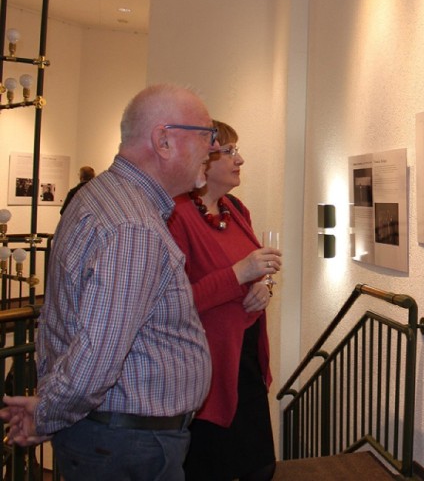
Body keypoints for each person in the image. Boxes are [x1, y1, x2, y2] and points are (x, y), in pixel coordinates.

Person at [0, 84, 216, 481]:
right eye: (206, 134)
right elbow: (96, 359)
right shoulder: (134, 226)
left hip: (112, 436)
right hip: (127, 446)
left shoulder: (99, 195)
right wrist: (46, 414)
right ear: (163, 140)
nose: (213, 149)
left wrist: (48, 407)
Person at [167, 120, 281, 481]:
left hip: (244, 363)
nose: (240, 159)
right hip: (206, 372)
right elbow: (171, 303)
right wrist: (238, 274)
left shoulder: (236, 209)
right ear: (206, 159)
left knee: (259, 468)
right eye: (230, 152)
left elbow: (255, 278)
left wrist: (264, 289)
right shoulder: (177, 216)